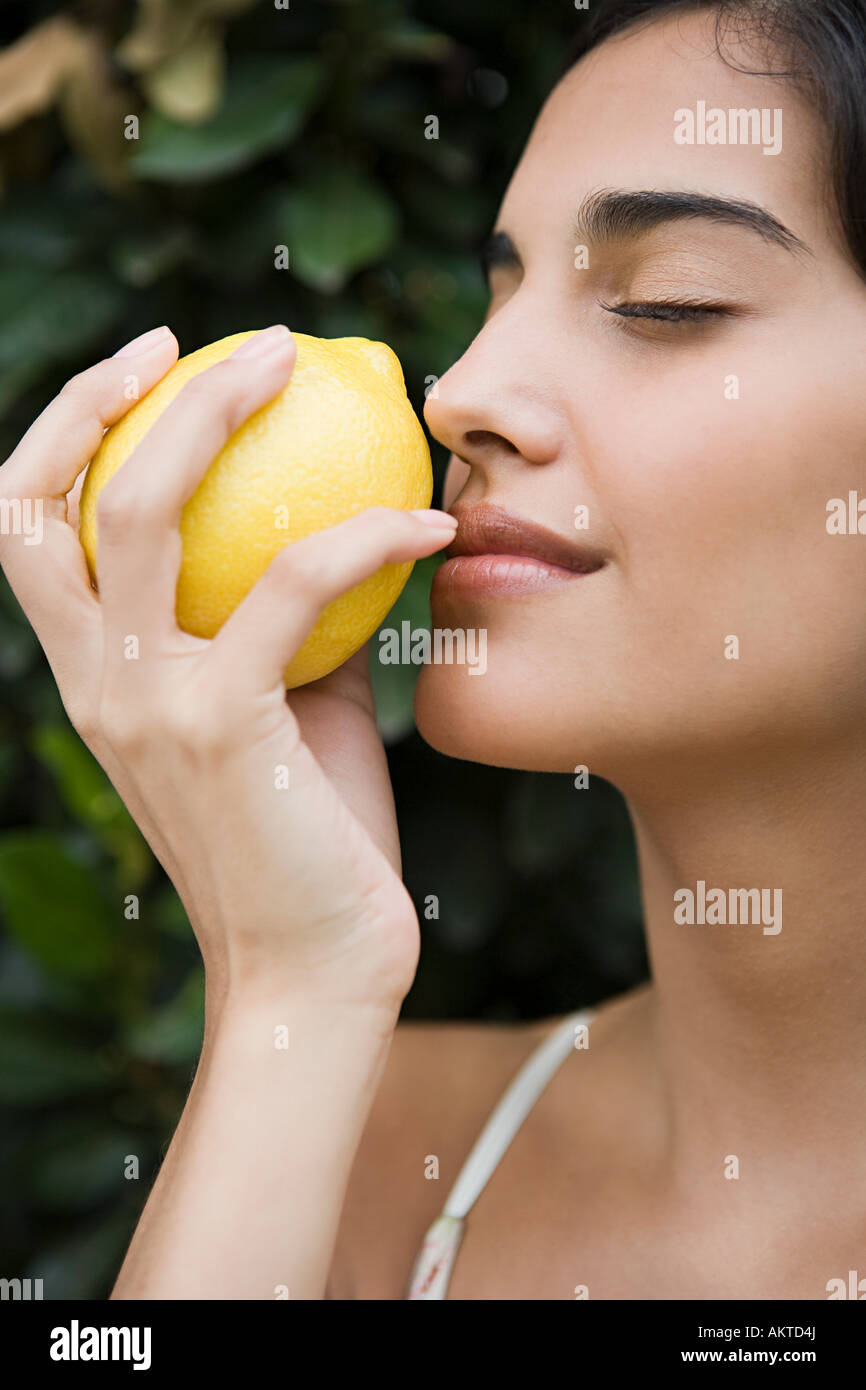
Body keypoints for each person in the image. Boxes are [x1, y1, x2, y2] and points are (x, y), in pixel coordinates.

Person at [2, 0, 865, 1299]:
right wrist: (292, 986)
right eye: (500, 293)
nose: (453, 391)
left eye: (662, 300)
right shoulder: (369, 1158)